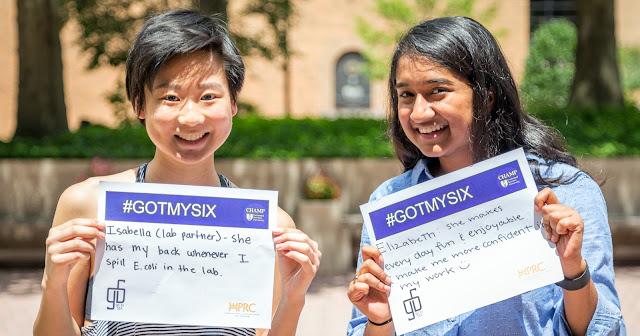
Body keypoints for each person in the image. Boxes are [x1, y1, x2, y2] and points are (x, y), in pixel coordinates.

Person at [33, 9, 321, 336]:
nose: (190, 117)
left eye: (208, 96)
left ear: (233, 103)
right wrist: (52, 283)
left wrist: (294, 299)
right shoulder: (88, 205)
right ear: (140, 105)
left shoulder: (270, 227)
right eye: (170, 97)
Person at [347, 16, 625, 336]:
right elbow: (365, 327)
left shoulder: (566, 193)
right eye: (405, 95)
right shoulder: (389, 201)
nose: (419, 112)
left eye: (438, 91)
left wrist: (573, 272)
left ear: (487, 96)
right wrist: (381, 319)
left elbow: (604, 331)